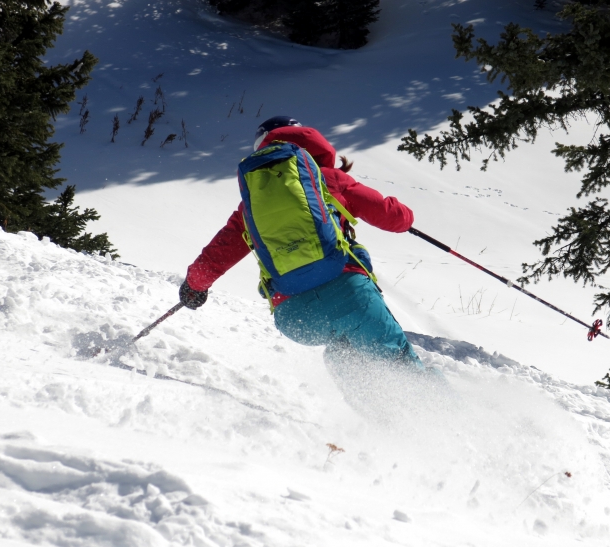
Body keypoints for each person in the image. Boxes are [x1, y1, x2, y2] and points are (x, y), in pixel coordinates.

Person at [179, 116, 426, 393]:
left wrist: (194, 286)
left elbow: (219, 253)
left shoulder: (250, 205)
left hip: (296, 317)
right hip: (350, 294)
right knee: (400, 363)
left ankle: (381, 426)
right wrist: (403, 214)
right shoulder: (332, 180)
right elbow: (395, 219)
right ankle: (449, 419)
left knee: (341, 353)